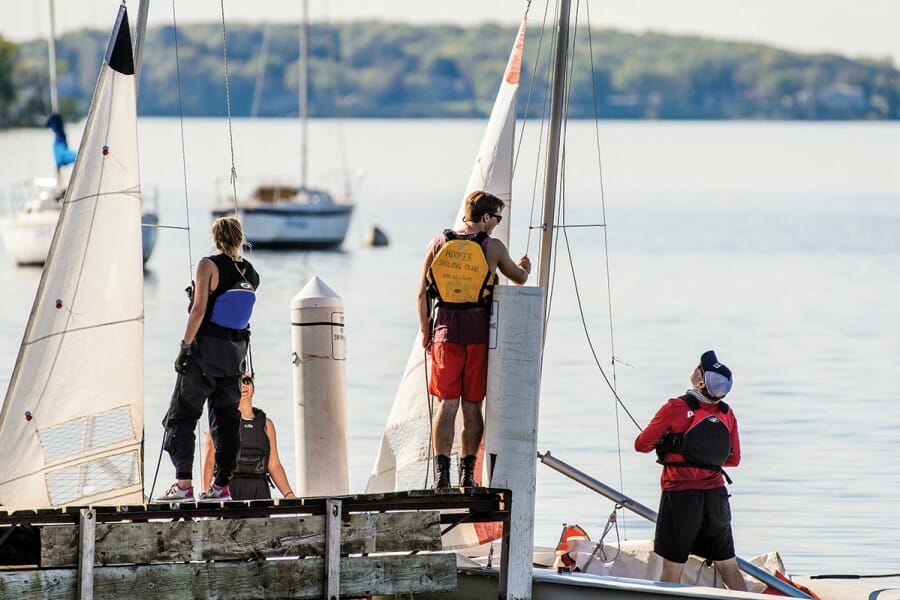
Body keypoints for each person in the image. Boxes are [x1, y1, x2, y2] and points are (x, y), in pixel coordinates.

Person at [418, 190, 531, 490]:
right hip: (477, 333)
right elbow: (519, 278)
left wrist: (425, 334)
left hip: (444, 333)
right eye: (497, 217)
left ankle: (442, 477)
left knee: (447, 404)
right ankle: (468, 475)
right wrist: (526, 267)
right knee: (472, 405)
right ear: (485, 217)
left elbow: (422, 293)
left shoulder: (438, 243)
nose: (497, 223)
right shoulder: (491, 247)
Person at [157, 216, 260, 502]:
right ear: (239, 239)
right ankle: (221, 487)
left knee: (181, 415)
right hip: (234, 358)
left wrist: (184, 347)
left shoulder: (208, 265)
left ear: (216, 239)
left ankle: (183, 485)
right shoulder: (251, 274)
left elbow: (199, 310)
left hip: (204, 355)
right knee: (226, 421)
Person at [634, 350, 746, 591]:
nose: (696, 368)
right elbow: (734, 459)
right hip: (717, 497)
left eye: (699, 367)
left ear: (701, 381)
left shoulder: (675, 407)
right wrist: (703, 459)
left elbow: (641, 445)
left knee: (673, 568)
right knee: (728, 566)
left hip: (681, 496)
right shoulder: (727, 414)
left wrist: (675, 450)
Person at [201, 373, 295, 500]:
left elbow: (274, 465)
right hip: (229, 488)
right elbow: (209, 463)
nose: (243, 386)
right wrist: (206, 494)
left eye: (246, 381)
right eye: (238, 382)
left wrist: (289, 495)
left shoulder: (266, 425)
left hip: (259, 490)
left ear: (253, 388)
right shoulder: (218, 424)